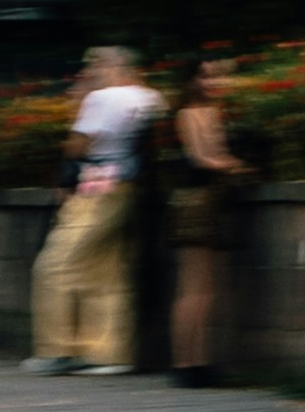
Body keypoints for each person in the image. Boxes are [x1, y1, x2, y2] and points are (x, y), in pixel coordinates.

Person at [28, 46, 162, 376]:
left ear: (111, 65)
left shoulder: (102, 98)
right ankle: (109, 353)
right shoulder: (150, 97)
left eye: (94, 65)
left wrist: (81, 105)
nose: (89, 72)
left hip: (95, 186)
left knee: (53, 265)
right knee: (108, 271)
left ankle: (56, 349)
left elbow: (77, 145)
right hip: (130, 187)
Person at [169, 56, 254, 387]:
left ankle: (198, 362)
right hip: (196, 202)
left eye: (216, 77)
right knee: (195, 289)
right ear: (191, 80)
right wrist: (237, 167)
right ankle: (185, 364)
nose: (213, 82)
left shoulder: (211, 112)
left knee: (205, 289)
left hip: (209, 201)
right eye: (205, 77)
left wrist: (230, 164)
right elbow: (201, 157)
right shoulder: (190, 113)